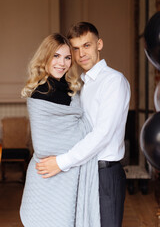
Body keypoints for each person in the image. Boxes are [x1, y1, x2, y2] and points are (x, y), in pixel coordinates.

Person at [36, 22, 131, 227]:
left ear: (99, 44)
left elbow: (102, 134)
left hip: (104, 174)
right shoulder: (78, 83)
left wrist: (61, 162)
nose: (81, 54)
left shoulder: (113, 81)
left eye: (87, 45)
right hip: (80, 171)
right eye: (75, 49)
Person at [20, 33, 101, 227]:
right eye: (55, 56)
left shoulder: (73, 90)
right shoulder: (39, 92)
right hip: (46, 176)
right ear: (45, 58)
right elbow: (44, 145)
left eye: (67, 58)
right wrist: (86, 132)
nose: (61, 63)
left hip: (67, 174)